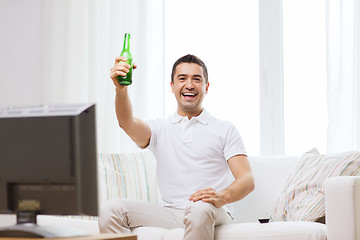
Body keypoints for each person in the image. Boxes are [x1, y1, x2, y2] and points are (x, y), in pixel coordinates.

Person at [99, 54, 255, 240]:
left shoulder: (225, 129)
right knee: (110, 209)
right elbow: (127, 123)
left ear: (206, 87)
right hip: (169, 212)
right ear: (172, 86)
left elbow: (247, 179)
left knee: (199, 208)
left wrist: (223, 196)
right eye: (182, 79)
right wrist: (120, 89)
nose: (189, 85)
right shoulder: (159, 129)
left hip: (211, 210)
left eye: (196, 79)